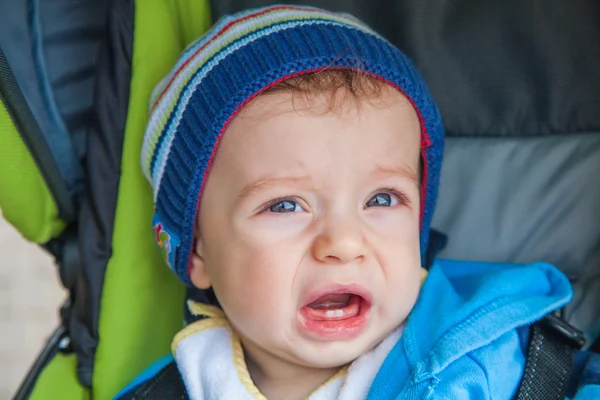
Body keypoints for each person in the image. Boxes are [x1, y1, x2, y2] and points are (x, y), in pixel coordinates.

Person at [118, 5, 599, 399]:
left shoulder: (494, 354)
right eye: (285, 205)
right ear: (198, 251)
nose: (344, 243)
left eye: (383, 198)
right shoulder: (175, 388)